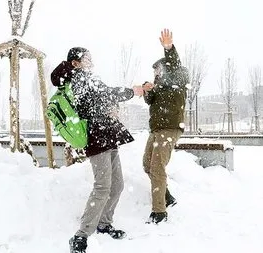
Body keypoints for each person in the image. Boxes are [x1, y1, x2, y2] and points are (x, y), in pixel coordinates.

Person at [50, 47, 149, 253]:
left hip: (108, 135)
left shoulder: (88, 77)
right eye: (86, 58)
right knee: (103, 186)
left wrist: (112, 106)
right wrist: (132, 91)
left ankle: (104, 223)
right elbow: (104, 94)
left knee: (118, 184)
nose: (91, 60)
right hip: (97, 137)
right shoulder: (77, 78)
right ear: (76, 62)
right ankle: (81, 235)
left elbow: (104, 97)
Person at [142, 29, 190, 224]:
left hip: (170, 129)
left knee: (157, 167)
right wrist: (147, 89)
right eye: (154, 72)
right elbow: (150, 100)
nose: (156, 74)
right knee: (147, 164)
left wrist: (168, 48)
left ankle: (159, 212)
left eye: (157, 70)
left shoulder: (177, 78)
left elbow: (175, 63)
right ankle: (166, 196)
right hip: (156, 130)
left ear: (166, 68)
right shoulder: (159, 86)